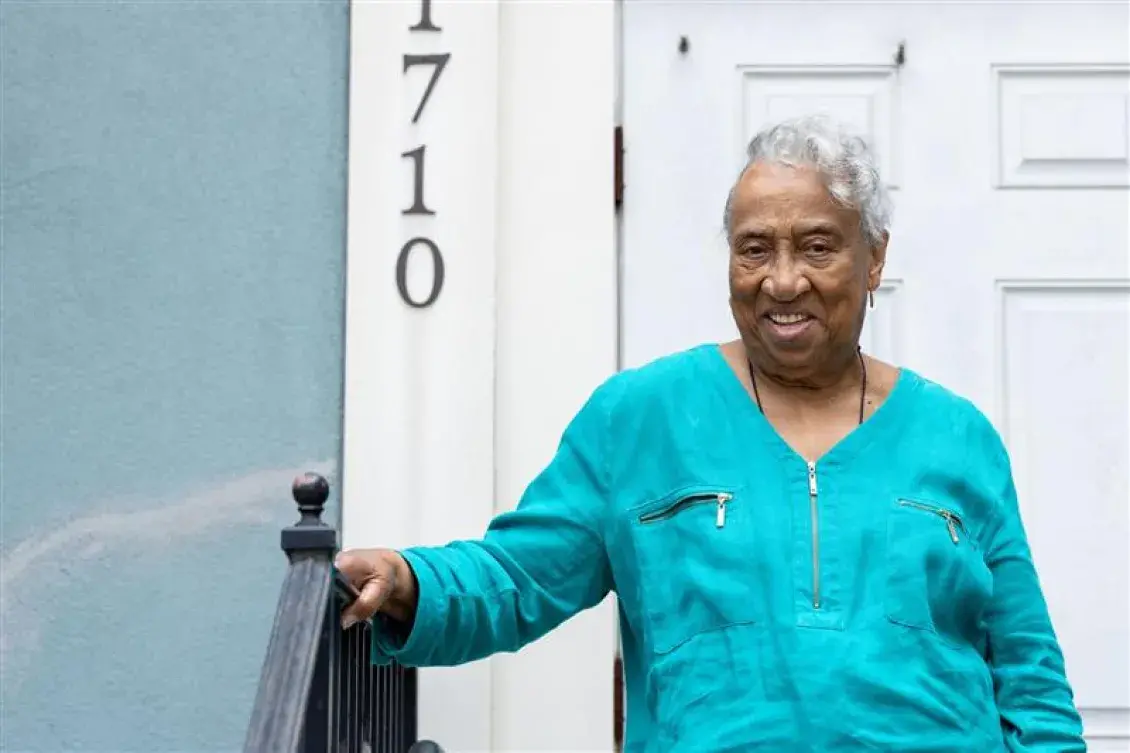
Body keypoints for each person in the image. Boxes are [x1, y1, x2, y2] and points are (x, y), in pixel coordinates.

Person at [334, 115, 1084, 752]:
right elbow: (521, 577)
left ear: (873, 258)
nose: (782, 280)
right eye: (755, 248)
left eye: (818, 247)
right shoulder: (639, 417)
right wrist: (412, 582)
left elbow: (1030, 677)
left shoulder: (957, 437)